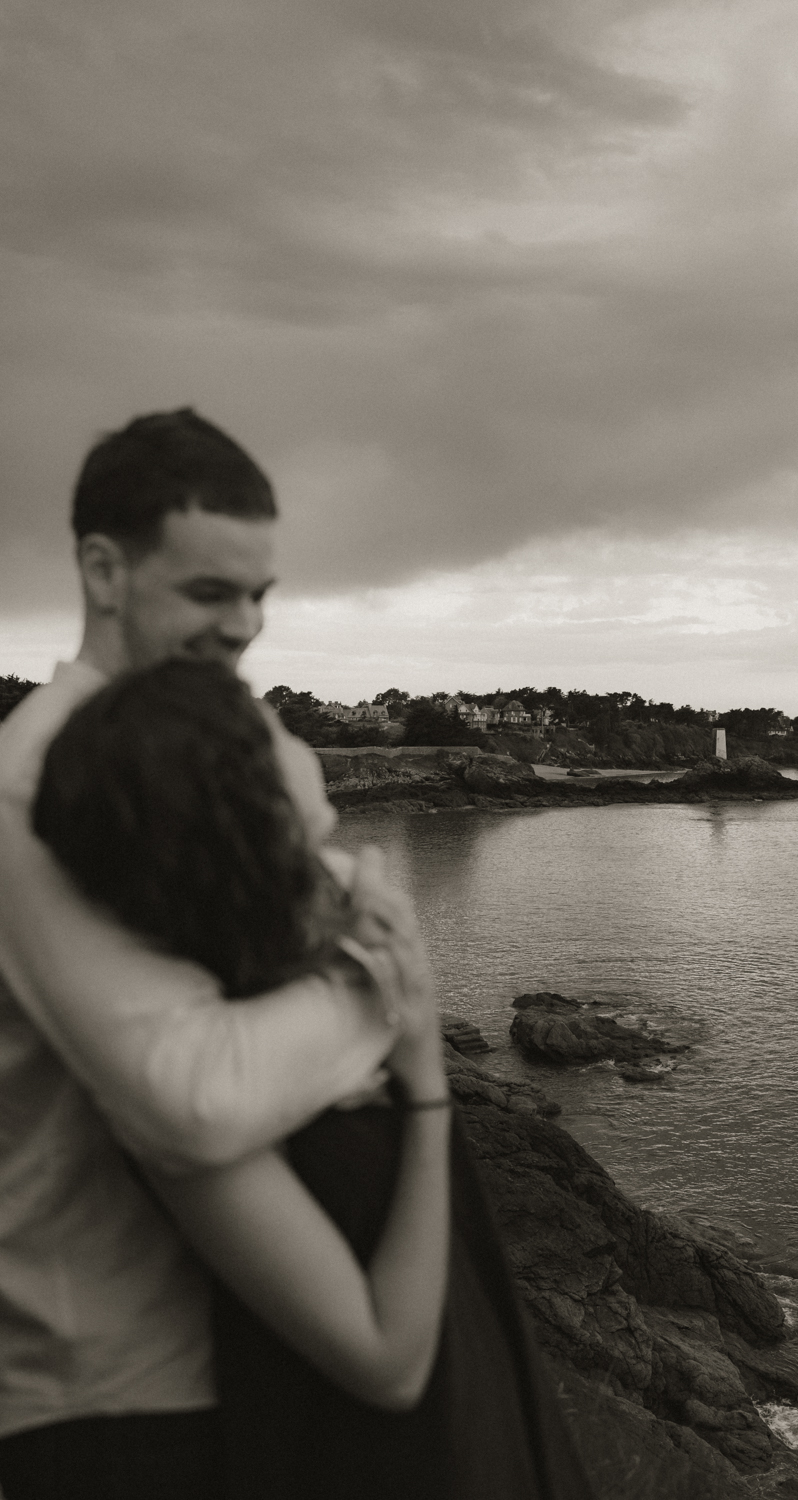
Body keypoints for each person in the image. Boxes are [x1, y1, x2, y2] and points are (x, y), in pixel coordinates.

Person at [31, 658, 595, 1500]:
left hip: (479, 1420)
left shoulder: (298, 992)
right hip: (390, 1458)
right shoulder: (209, 1085)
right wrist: (427, 1092)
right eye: (276, 730)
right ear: (242, 800)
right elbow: (388, 1360)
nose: (304, 744)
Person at [0, 411, 411, 1499]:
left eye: (259, 596)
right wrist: (396, 989)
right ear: (102, 569)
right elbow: (191, 1097)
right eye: (208, 593)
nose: (243, 629)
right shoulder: (32, 782)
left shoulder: (243, 735)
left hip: (257, 1344)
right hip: (112, 1388)